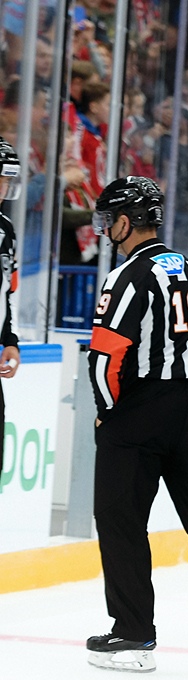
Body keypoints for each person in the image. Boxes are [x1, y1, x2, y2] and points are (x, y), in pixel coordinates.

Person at [84, 176, 188, 673]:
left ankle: (133, 635)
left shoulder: (126, 276)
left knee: (121, 521)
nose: (105, 229)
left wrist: (108, 412)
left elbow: (104, 358)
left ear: (125, 222)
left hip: (139, 412)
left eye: (108, 219)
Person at [0, 138, 21, 466]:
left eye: (8, 180)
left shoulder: (6, 230)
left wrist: (9, 339)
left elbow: (5, 292)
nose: (4, 187)